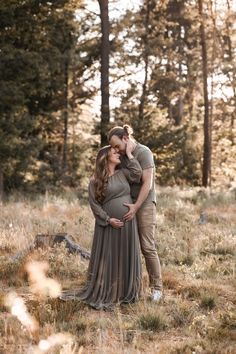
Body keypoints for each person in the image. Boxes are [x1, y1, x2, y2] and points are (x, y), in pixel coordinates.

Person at [61, 144, 142, 310]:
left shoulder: (124, 173)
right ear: (105, 157)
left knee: (125, 254)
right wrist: (108, 219)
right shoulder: (95, 181)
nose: (118, 153)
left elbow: (138, 173)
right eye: (114, 152)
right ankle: (109, 291)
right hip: (107, 226)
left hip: (128, 224)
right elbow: (94, 205)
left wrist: (129, 154)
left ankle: (126, 292)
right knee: (110, 257)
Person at [108, 125, 163, 302]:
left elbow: (147, 183)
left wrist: (136, 206)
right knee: (128, 247)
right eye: (113, 147)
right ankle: (130, 287)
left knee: (147, 246)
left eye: (117, 145)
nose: (115, 150)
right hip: (127, 204)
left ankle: (157, 289)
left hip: (144, 204)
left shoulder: (144, 152)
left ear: (125, 138)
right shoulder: (120, 156)